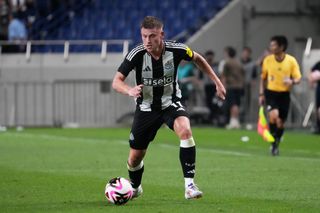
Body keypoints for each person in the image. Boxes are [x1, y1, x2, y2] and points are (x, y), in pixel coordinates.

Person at [112, 16, 226, 200]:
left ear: (161, 35)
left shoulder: (177, 49)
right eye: (144, 36)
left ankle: (189, 186)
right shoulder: (136, 54)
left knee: (185, 130)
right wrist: (129, 90)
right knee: (135, 158)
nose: (147, 41)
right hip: (146, 109)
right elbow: (116, 82)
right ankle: (135, 186)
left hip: (170, 103)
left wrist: (217, 82)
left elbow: (198, 59)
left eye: (152, 36)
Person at [259, 35, 302, 156]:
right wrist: (261, 94)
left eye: (274, 45)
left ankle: (276, 142)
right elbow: (263, 78)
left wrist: (291, 81)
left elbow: (298, 78)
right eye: (271, 45)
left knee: (280, 123)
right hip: (271, 93)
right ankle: (273, 145)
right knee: (273, 116)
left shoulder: (291, 61)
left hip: (284, 94)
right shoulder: (267, 60)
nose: (271, 47)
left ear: (281, 47)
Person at [221, 46, 245, 129]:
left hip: (231, 86)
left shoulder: (227, 63)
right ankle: (236, 121)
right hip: (239, 86)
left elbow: (223, 76)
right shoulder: (239, 63)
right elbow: (243, 74)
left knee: (232, 104)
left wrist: (222, 87)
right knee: (237, 104)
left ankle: (233, 122)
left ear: (228, 53)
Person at [308, 61, 320, 134]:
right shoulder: (319, 64)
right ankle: (318, 126)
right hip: (319, 88)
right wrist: (311, 81)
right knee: (318, 108)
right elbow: (310, 70)